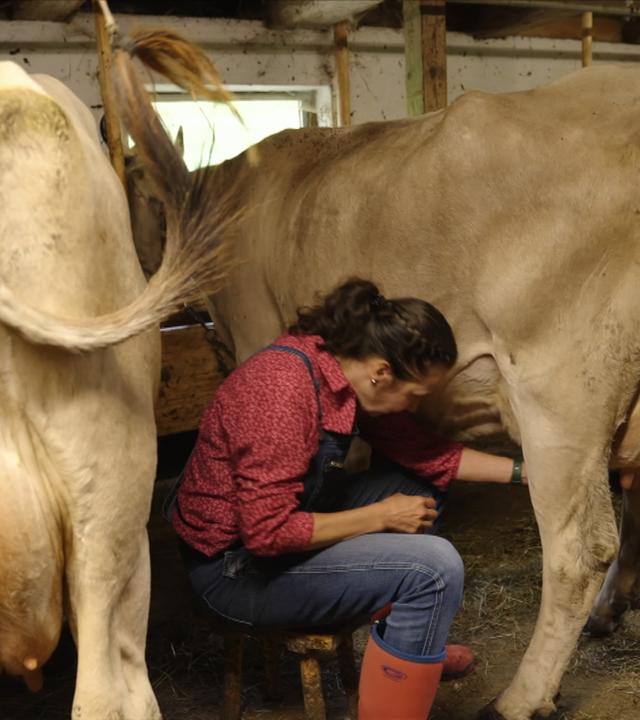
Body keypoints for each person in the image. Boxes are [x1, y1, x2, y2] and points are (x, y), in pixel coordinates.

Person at [171, 278, 527, 720]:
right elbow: (267, 533)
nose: (415, 408)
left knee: (418, 492)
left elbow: (427, 456)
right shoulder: (281, 392)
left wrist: (526, 472)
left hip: (287, 522)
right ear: (382, 371)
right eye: (415, 395)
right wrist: (379, 516)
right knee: (434, 568)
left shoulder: (342, 366)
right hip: (235, 570)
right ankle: (396, 693)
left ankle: (405, 644)